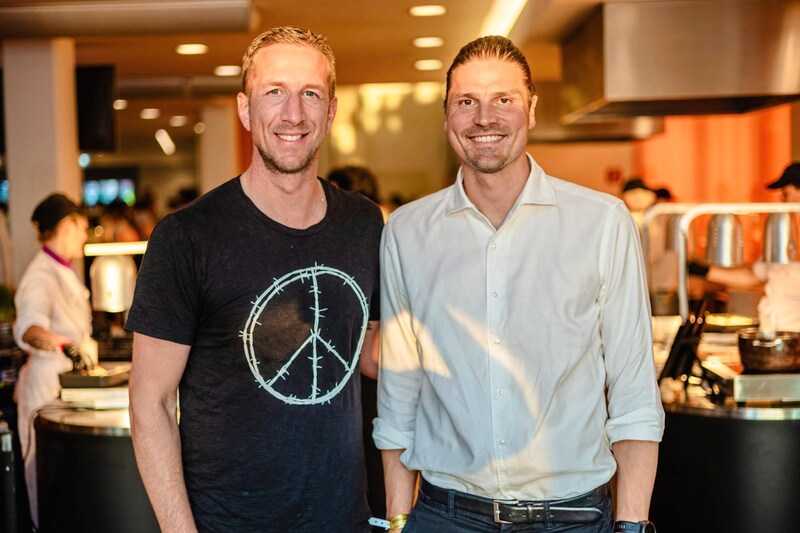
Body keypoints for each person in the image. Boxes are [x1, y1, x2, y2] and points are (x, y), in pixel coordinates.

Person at [374, 36, 664, 533]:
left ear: (530, 110)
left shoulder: (602, 223)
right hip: (445, 516)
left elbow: (635, 393)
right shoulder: (406, 232)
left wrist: (632, 525)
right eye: (467, 102)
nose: (484, 118)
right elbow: (401, 394)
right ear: (447, 117)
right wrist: (400, 520)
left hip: (571, 517)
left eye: (503, 100)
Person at [125, 26, 383, 532]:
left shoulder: (363, 223)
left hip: (346, 520)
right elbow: (148, 402)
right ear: (246, 109)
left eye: (311, 93)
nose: (293, 113)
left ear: (330, 112)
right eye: (274, 93)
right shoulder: (187, 237)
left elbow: (368, 348)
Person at [13, 192, 96, 527]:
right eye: (83, 228)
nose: (86, 236)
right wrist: (64, 345)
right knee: (44, 478)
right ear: (67, 225)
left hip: (65, 387)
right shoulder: (41, 275)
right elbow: (30, 328)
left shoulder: (62, 270)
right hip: (45, 388)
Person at [701, 161, 800, 331]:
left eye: (785, 193)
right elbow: (753, 276)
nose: (782, 200)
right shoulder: (781, 239)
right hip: (776, 333)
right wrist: (704, 271)